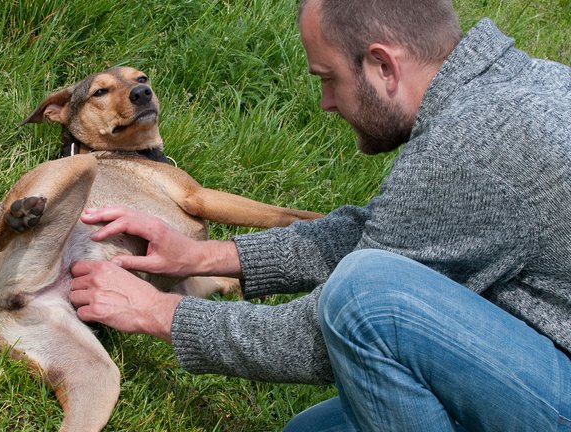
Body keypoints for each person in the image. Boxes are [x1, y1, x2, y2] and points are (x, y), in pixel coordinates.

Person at [69, 0, 571, 430]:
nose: (327, 103)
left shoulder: (472, 148)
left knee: (365, 292)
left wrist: (159, 313)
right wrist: (205, 255)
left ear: (383, 66)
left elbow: (329, 328)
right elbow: (383, 232)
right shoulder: (515, 89)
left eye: (329, 79)